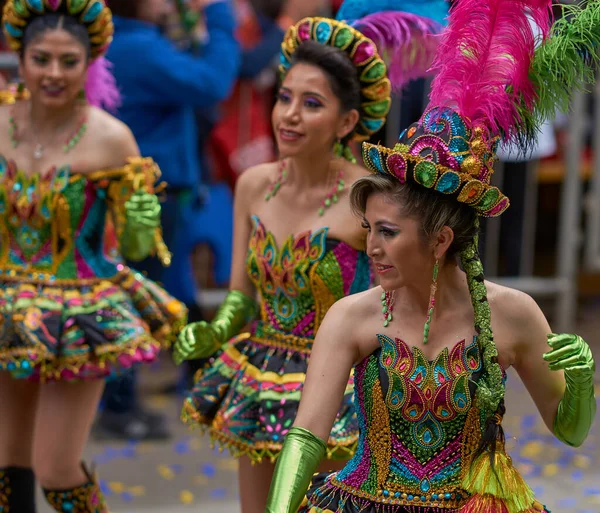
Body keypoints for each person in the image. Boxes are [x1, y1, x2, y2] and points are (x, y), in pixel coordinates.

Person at [264, 1, 598, 512]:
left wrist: (578, 383)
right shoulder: (352, 316)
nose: (371, 246)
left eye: (388, 232)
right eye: (368, 229)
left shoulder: (512, 313)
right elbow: (307, 435)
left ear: (441, 240)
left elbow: (571, 433)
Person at [174, 4, 445, 512]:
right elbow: (240, 296)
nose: (290, 115)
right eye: (284, 97)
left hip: (341, 387)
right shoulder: (254, 185)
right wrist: (214, 331)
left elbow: (410, 300)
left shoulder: (371, 197)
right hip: (261, 377)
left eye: (312, 103)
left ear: (346, 120)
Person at [0, 1, 187, 511]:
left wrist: (143, 217)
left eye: (68, 61)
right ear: (21, 56)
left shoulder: (111, 138)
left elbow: (136, 247)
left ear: (90, 63)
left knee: (56, 468)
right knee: (4, 462)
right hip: (6, 307)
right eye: (41, 59)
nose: (53, 73)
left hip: (80, 314)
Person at [95, 0, 239, 440]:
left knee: (167, 290)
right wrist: (219, 18)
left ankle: (198, 386)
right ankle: (118, 407)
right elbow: (213, 83)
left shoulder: (133, 43)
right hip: (150, 198)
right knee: (138, 297)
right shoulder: (139, 48)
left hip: (157, 193)